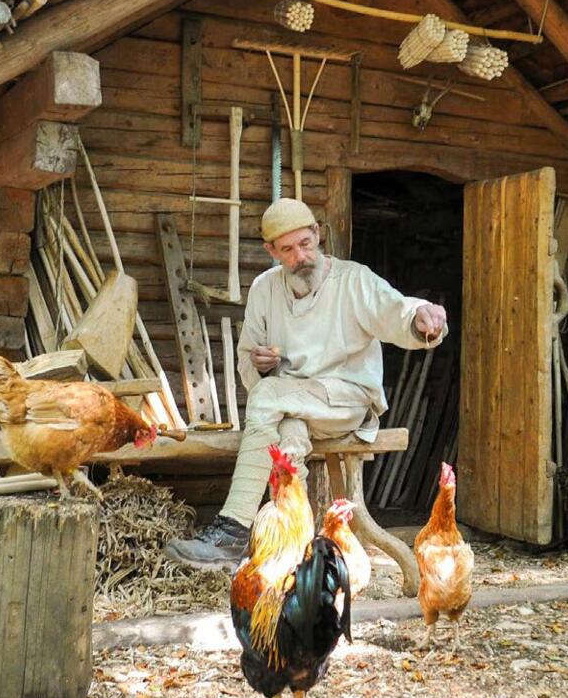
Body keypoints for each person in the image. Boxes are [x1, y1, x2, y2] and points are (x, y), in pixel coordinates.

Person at [164, 198, 447, 568]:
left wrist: (422, 319)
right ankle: (294, 550)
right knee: (289, 433)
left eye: (305, 243)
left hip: (346, 401)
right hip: (294, 403)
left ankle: (232, 530)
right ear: (271, 251)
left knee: (269, 398)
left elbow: (397, 310)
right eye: (288, 250)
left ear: (317, 234)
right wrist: (261, 365)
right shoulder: (265, 289)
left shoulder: (352, 280)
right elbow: (248, 357)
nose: (301, 256)